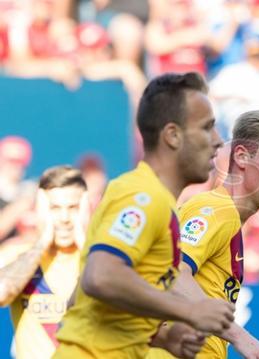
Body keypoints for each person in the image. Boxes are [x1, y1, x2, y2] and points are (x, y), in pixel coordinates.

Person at [53, 72, 235, 358]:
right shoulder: (145, 197)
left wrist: (164, 337)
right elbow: (100, 276)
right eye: (207, 128)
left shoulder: (150, 198)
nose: (218, 140)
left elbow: (78, 303)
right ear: (172, 135)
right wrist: (190, 309)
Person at [147, 109, 259, 358]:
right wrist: (244, 339)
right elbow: (173, 271)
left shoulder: (228, 218)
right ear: (241, 156)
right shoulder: (216, 210)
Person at [0, 166, 87, 358]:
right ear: (40, 209)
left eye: (73, 208)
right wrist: (40, 245)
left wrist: (87, 247)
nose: (64, 218)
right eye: (55, 208)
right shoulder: (19, 255)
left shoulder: (103, 259)